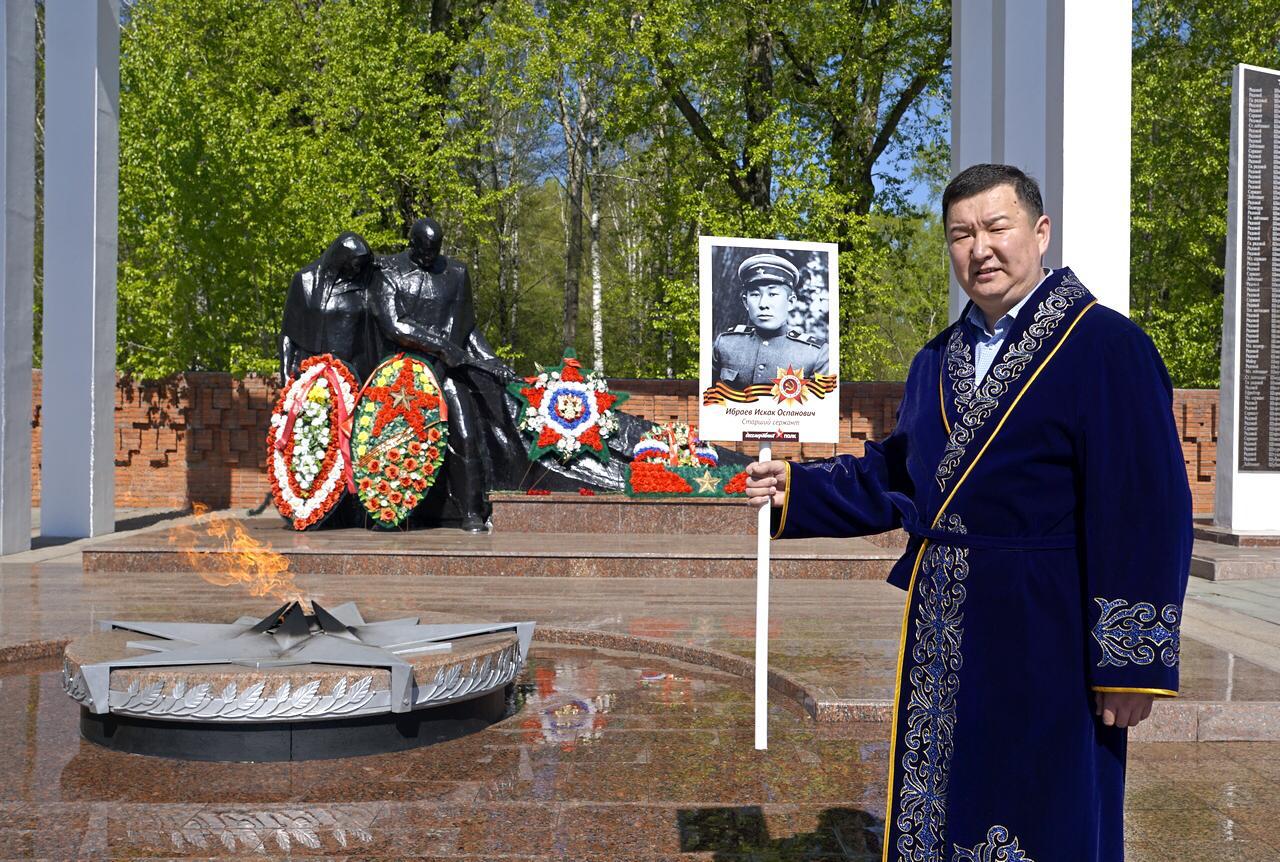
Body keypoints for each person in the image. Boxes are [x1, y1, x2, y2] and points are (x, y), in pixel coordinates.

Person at [745, 164, 1191, 862]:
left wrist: (1131, 664)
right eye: (961, 234)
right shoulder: (936, 360)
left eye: (995, 227)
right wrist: (793, 491)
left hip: (1051, 628)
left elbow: (1146, 506)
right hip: (945, 628)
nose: (979, 248)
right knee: (942, 801)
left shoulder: (1107, 346)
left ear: (1040, 233)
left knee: (1049, 803)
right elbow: (900, 473)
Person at [369, 217, 511, 532]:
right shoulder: (389, 273)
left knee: (465, 434)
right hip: (406, 371)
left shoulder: (457, 274)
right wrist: (440, 346)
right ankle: (393, 509)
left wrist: (491, 360)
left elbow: (467, 326)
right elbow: (394, 325)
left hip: (447, 371)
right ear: (412, 243)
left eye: (435, 250)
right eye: (425, 250)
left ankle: (471, 510)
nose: (430, 256)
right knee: (397, 436)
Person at [712, 252, 828, 388]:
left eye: (773, 294)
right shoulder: (725, 345)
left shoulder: (816, 354)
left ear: (790, 302)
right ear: (745, 302)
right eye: (755, 294)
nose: (763, 304)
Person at [279, 231, 379, 384]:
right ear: (340, 259)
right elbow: (289, 333)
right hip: (313, 371)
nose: (357, 271)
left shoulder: (365, 284)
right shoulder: (305, 281)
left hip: (356, 373)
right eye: (354, 265)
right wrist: (285, 374)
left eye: (361, 266)